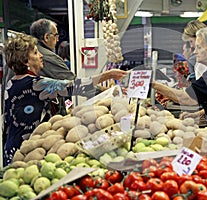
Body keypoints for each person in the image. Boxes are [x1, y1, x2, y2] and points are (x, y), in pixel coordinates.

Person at [2, 33, 127, 166]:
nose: (41, 55)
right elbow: (73, 87)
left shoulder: (13, 82)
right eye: (35, 53)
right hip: (24, 153)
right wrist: (108, 75)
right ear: (25, 60)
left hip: (13, 147)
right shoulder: (34, 84)